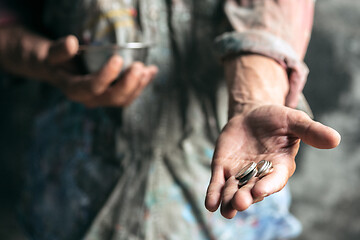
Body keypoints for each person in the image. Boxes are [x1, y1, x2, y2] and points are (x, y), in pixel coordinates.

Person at [0, 0, 340, 239]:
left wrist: (252, 100)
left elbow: (271, 11)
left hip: (221, 217)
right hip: (71, 194)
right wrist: (47, 63)